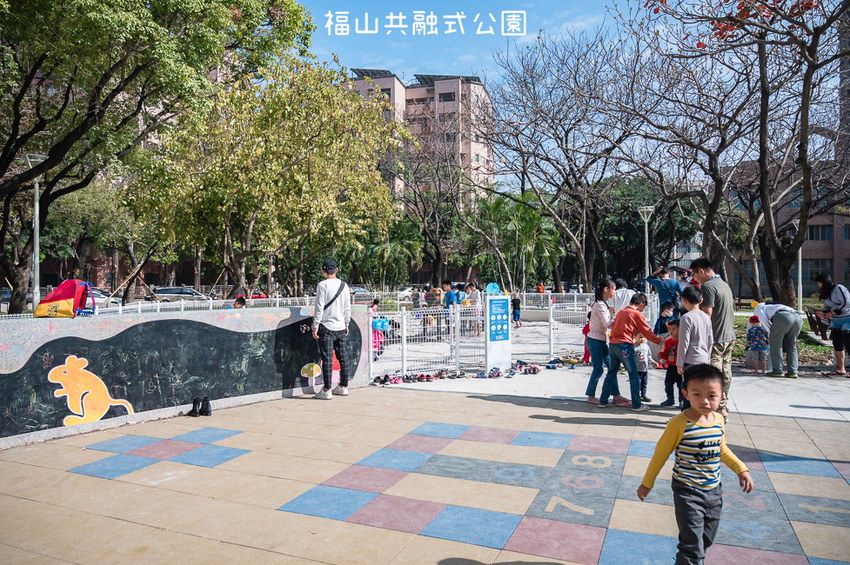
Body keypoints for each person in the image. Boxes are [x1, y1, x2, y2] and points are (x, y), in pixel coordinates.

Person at [638, 364, 754, 565]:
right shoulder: (679, 424)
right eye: (697, 394)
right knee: (692, 545)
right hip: (687, 491)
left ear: (722, 396)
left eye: (711, 395)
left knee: (706, 539)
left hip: (714, 490)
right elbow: (660, 454)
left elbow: (722, 449)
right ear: (686, 394)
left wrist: (741, 469)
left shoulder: (718, 420)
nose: (704, 401)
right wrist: (647, 483)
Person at [598, 293, 663, 411]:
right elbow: (646, 330)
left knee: (611, 373)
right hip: (625, 346)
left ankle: (603, 401)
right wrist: (659, 341)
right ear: (642, 304)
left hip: (613, 344)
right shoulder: (636, 314)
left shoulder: (621, 312)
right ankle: (637, 404)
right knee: (634, 375)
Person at [690, 257, 735, 417]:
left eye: (694, 274)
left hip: (715, 337)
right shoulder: (724, 284)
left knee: (713, 374)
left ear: (701, 271)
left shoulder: (708, 286)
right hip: (729, 336)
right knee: (726, 372)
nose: (694, 278)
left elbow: (707, 313)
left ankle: (716, 408)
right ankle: (722, 405)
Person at [312, 258, 352, 400]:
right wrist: (347, 323)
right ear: (336, 270)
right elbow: (347, 307)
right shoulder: (344, 285)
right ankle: (343, 386)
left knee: (327, 359)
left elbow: (319, 307)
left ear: (323, 271)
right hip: (341, 326)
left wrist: (315, 325)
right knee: (343, 357)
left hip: (326, 327)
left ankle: (327, 389)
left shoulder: (322, 285)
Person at [585, 279, 629, 406]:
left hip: (601, 340)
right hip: (595, 341)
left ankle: (616, 395)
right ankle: (590, 396)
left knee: (612, 368)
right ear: (606, 289)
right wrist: (621, 318)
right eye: (613, 289)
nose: (615, 292)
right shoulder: (599, 305)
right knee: (598, 369)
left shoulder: (603, 304)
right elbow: (607, 324)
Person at [756, 302, 804, 379]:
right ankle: (793, 372)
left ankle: (777, 371)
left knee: (776, 345)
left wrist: (771, 332)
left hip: (783, 317)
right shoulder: (781, 306)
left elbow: (763, 319)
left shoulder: (762, 307)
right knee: (792, 344)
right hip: (797, 318)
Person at [815, 273, 850, 376]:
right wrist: (824, 313)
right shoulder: (826, 293)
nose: (818, 286)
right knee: (837, 344)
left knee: (849, 344)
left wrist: (832, 313)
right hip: (835, 321)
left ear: (824, 282)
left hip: (847, 318)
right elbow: (827, 306)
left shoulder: (839, 288)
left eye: (819, 283)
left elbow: (846, 303)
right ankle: (841, 368)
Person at [677, 286, 714, 377]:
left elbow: (684, 342)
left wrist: (680, 363)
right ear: (701, 301)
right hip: (704, 359)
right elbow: (710, 340)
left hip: (690, 360)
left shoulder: (686, 318)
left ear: (684, 300)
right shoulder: (706, 317)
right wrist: (708, 358)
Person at [659, 319, 683, 407]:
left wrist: (675, 359)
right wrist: (661, 355)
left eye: (673, 329)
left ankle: (682, 400)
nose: (671, 331)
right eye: (669, 329)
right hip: (671, 366)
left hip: (679, 366)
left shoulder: (681, 342)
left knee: (681, 384)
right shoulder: (668, 341)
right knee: (668, 383)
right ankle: (670, 399)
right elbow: (666, 353)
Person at [634, 333, 656, 403]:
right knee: (637, 384)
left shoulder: (646, 346)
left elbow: (649, 356)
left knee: (644, 383)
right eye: (640, 337)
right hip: (637, 369)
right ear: (635, 337)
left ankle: (643, 395)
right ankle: (636, 396)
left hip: (645, 369)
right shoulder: (633, 347)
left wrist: (652, 361)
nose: (642, 339)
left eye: (644, 337)